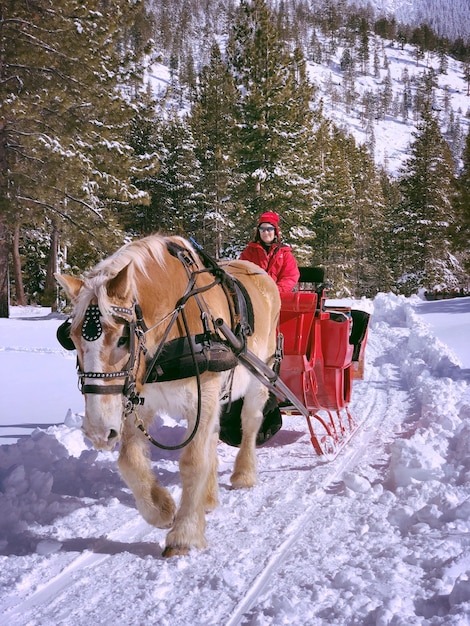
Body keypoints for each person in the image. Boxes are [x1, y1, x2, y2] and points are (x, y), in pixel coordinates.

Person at [239, 211, 300, 293]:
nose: (266, 232)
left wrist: (275, 291)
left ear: (275, 231)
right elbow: (241, 272)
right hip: (255, 295)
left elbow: (290, 276)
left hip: (278, 296)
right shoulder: (250, 252)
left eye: (269, 229)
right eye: (262, 229)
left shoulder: (284, 253)